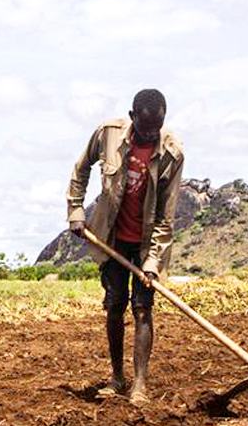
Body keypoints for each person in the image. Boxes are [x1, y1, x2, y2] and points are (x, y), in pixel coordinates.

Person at [67, 88, 184, 405]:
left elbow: (166, 215)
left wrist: (152, 262)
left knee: (143, 309)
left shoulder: (172, 153)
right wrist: (76, 211)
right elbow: (81, 169)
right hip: (112, 237)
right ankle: (117, 378)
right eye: (144, 128)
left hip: (148, 244)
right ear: (133, 118)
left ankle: (140, 385)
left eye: (156, 128)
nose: (150, 134)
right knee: (115, 306)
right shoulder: (107, 135)